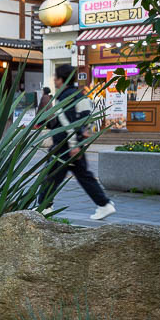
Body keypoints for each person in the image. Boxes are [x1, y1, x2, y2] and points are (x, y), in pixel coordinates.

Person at [39, 64, 116, 221]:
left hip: (65, 147)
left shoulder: (65, 97)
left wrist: (74, 145)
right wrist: (84, 134)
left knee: (51, 175)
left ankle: (43, 207)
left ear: (62, 79)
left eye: (56, 77)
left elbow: (68, 124)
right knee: (80, 176)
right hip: (73, 145)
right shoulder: (79, 94)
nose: (54, 80)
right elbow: (87, 115)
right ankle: (104, 205)